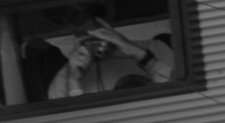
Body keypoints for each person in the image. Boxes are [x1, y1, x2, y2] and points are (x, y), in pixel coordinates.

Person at [46, 17, 174, 99]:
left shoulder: (155, 48)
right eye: (77, 17)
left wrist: (138, 54)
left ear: (110, 10)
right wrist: (73, 81)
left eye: (96, 10)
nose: (90, 22)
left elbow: (179, 94)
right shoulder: (64, 80)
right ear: (68, 26)